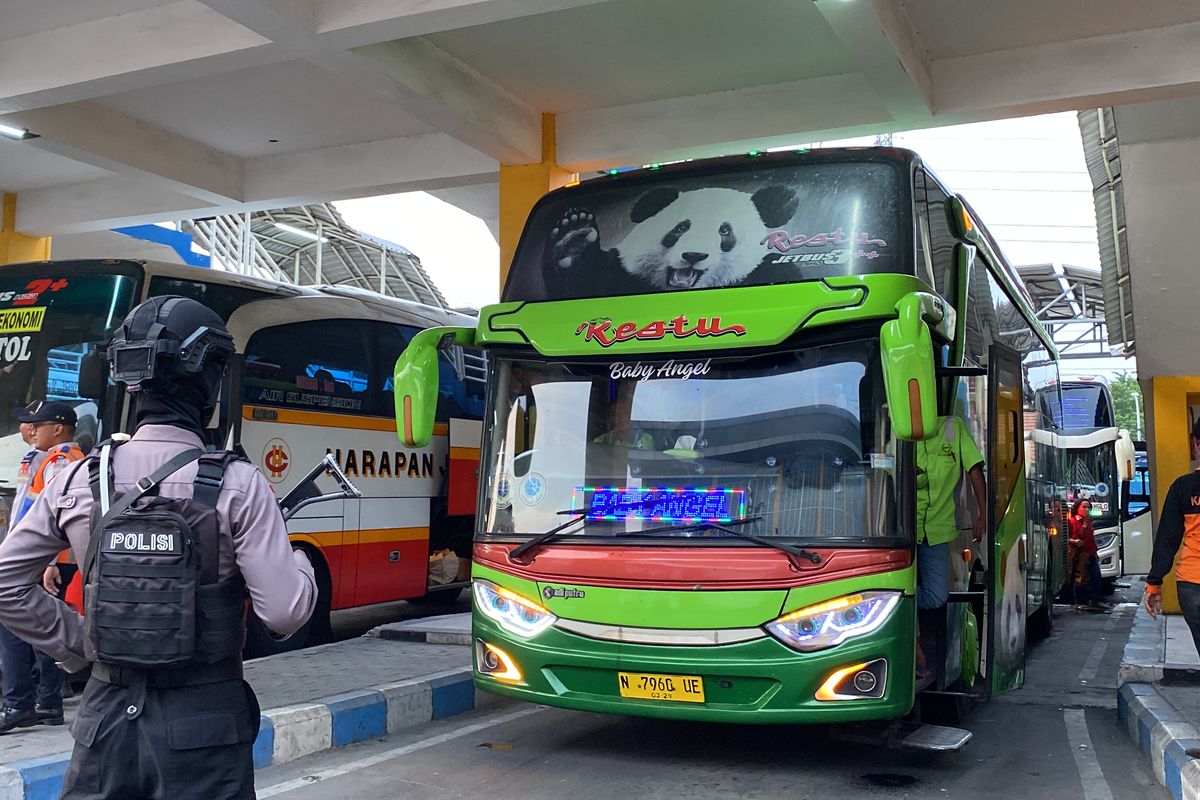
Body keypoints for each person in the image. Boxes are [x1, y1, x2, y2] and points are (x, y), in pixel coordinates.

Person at [0, 296, 317, 800]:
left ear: (126, 381)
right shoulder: (238, 483)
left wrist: (80, 646)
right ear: (211, 381)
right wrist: (301, 563)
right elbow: (282, 613)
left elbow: (6, 584)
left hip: (102, 723)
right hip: (206, 727)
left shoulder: (80, 478)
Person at [0, 401, 85, 731]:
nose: (30, 430)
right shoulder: (44, 458)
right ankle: (44, 702)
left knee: (25, 628)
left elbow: (59, 517)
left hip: (48, 562)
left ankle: (23, 702)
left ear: (59, 428)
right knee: (41, 629)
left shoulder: (62, 462)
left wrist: (46, 562)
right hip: (38, 560)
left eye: (38, 425)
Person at [914, 414, 986, 678]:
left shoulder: (952, 428)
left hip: (938, 529)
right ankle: (914, 647)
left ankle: (898, 604)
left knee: (936, 596)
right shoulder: (898, 424)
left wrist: (983, 513)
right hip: (904, 529)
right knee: (905, 591)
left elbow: (975, 470)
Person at [1145, 419, 1200, 654]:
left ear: (1196, 445)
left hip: (1192, 584)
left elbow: (1168, 537)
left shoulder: (1183, 487)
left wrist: (1154, 583)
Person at [1068, 499, 1110, 611]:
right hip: (1079, 555)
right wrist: (1074, 541)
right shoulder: (1072, 521)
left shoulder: (1089, 522)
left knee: (1096, 576)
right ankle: (1080, 601)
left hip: (1090, 553)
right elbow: (1074, 537)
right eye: (1084, 507)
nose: (1087, 510)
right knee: (1080, 578)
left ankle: (1095, 599)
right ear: (1077, 508)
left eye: (1088, 507)